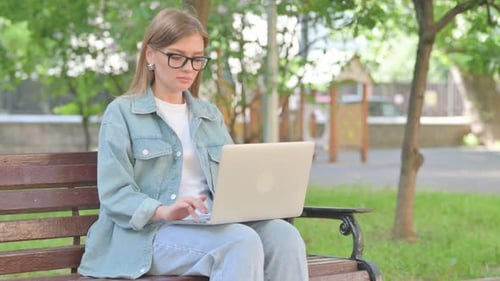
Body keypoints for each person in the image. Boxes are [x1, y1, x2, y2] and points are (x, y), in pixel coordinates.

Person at [78, 7, 308, 281]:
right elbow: (115, 194)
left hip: (212, 226)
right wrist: (163, 210)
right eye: (177, 57)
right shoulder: (122, 113)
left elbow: (234, 180)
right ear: (150, 55)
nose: (189, 68)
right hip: (150, 235)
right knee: (238, 241)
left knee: (284, 235)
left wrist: (257, 198)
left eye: (197, 59)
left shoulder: (209, 115)